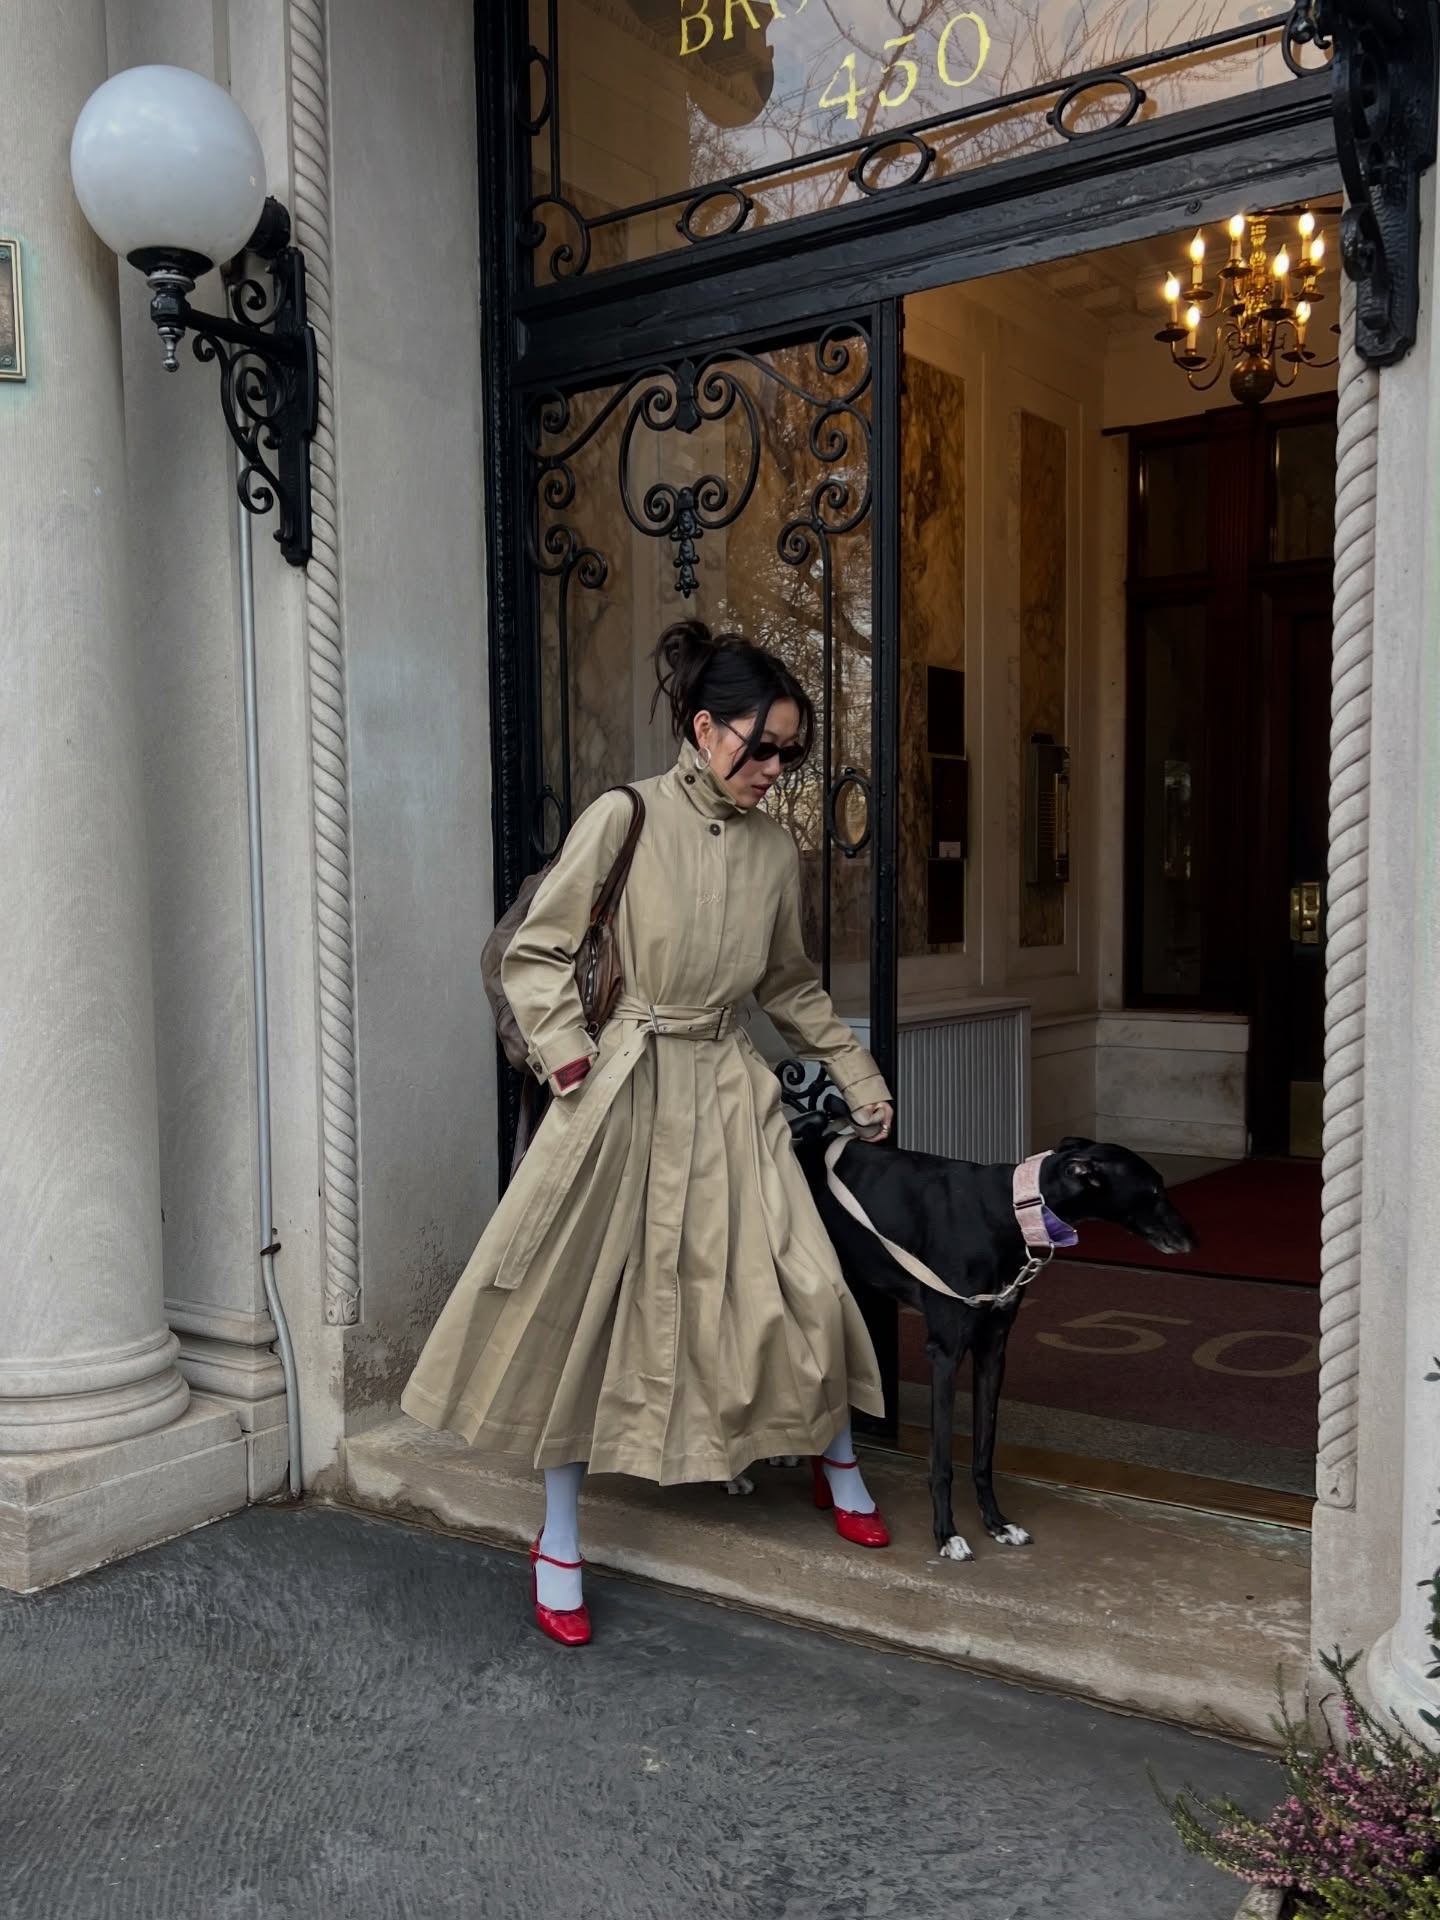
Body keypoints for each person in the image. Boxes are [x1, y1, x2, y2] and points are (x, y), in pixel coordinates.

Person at [401, 621, 895, 1646]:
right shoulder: (623, 817)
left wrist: (855, 1071)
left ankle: (834, 1458)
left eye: (791, 754)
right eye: (762, 748)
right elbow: (534, 954)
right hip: (621, 1087)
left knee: (800, 1277)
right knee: (580, 1310)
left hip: (726, 1086)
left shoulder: (773, 852)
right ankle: (561, 1538)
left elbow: (789, 984)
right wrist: (567, 1051)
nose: (775, 770)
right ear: (707, 729)